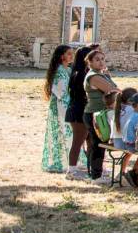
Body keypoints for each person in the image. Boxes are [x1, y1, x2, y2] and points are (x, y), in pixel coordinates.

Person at [83, 49, 120, 183]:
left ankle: (95, 173)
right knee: (97, 144)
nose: (101, 62)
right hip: (95, 114)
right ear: (90, 62)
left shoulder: (102, 74)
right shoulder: (94, 76)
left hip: (102, 113)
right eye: (97, 59)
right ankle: (96, 175)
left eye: (103, 59)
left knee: (98, 144)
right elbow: (113, 90)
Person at [64, 43, 97, 180]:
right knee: (78, 141)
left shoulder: (77, 73)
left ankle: (92, 168)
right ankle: (71, 170)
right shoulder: (82, 75)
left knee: (90, 141)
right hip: (79, 111)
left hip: (79, 109)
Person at [42, 44, 74, 174]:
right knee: (63, 132)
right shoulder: (60, 71)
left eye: (72, 53)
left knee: (67, 133)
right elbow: (61, 92)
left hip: (68, 104)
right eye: (69, 53)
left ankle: (68, 161)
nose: (71, 56)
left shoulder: (68, 69)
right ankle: (61, 162)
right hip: (62, 105)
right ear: (62, 56)